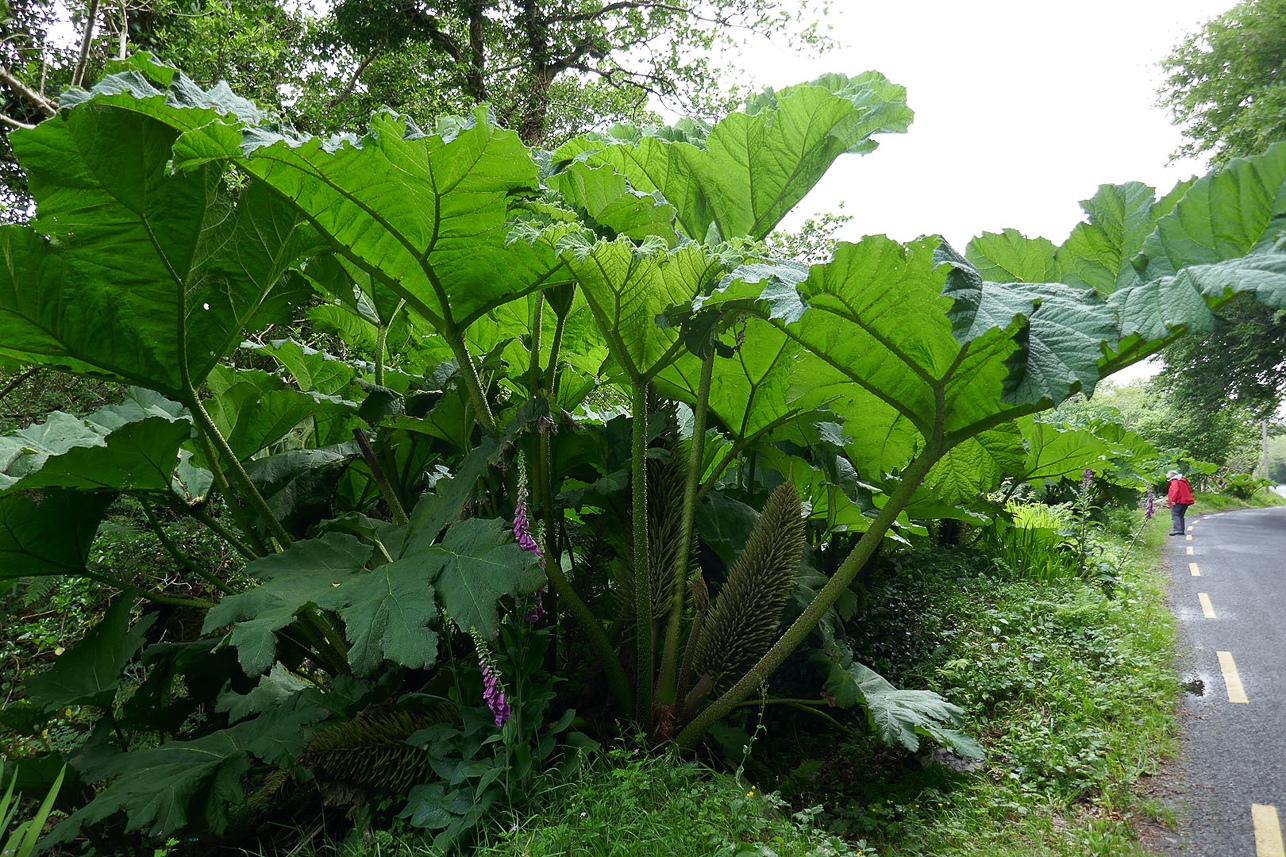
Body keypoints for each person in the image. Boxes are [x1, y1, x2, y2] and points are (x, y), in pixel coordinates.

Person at [1166, 470, 1195, 536]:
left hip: (1178, 501)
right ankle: (1181, 530)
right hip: (1186, 500)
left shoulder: (1175, 481)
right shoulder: (1183, 480)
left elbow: (1175, 490)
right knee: (1181, 515)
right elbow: (1189, 489)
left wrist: (1173, 500)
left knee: (1175, 514)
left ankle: (1177, 530)